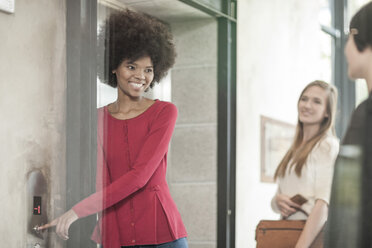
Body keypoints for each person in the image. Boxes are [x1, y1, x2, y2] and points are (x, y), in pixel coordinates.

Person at [39, 9, 188, 248]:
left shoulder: (164, 112)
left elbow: (139, 177)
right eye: (132, 66)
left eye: (148, 69)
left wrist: (76, 211)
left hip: (163, 235)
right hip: (118, 233)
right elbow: (104, 182)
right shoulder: (97, 118)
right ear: (113, 67)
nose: (141, 76)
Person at [325, 2, 372, 247]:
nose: (345, 50)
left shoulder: (366, 115)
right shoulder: (364, 112)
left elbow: (351, 208)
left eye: (348, 38)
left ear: (360, 38)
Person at [271, 80, 339, 248]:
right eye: (304, 99)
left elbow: (323, 204)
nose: (307, 105)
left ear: (327, 113)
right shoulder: (293, 150)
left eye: (316, 101)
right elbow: (279, 195)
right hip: (287, 232)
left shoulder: (326, 145)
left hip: (309, 238)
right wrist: (277, 201)